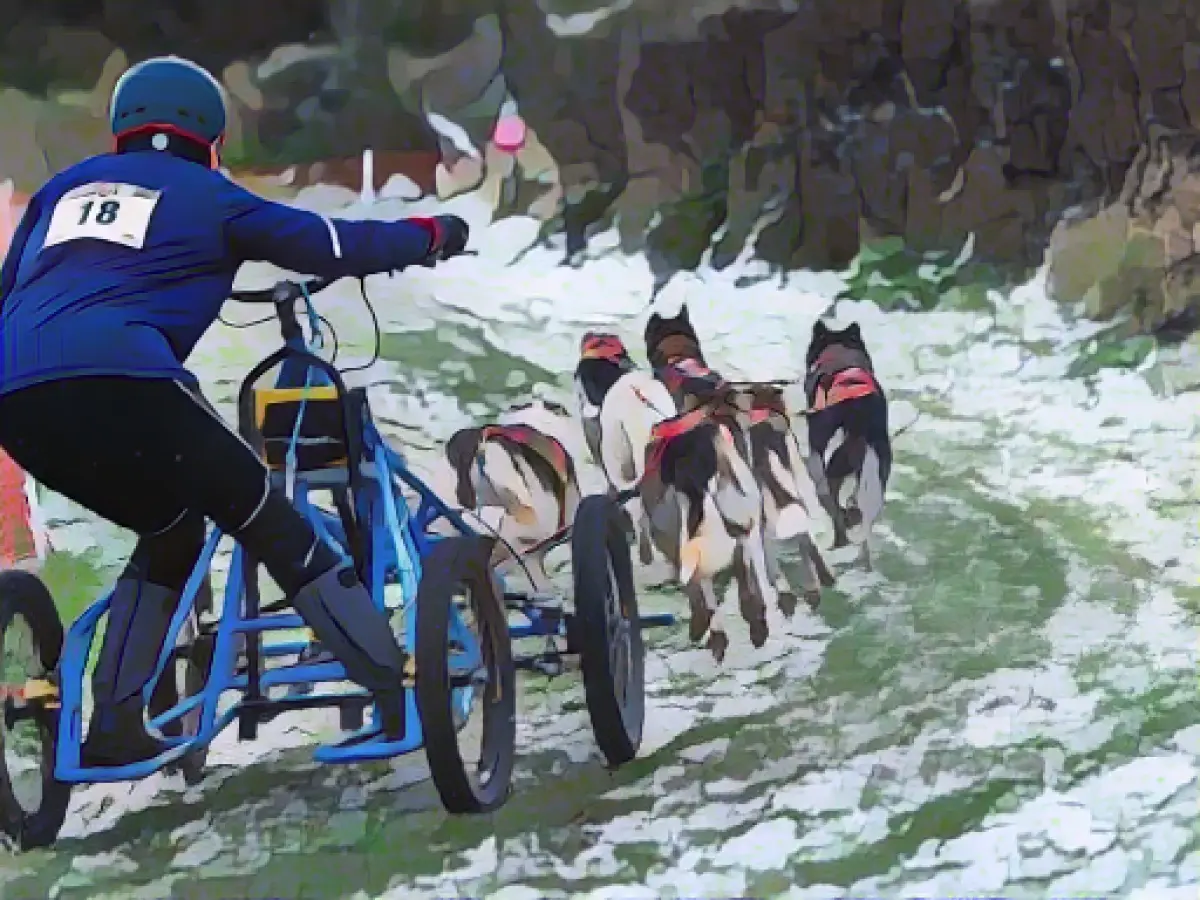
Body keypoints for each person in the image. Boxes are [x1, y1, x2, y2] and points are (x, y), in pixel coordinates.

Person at [0, 56, 471, 766]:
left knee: (172, 528)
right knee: (270, 522)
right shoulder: (212, 195)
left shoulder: (62, 192)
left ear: (122, 129)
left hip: (16, 396)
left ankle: (115, 727)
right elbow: (334, 245)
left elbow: (10, 291)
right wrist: (432, 234)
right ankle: (397, 688)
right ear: (210, 137)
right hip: (128, 380)